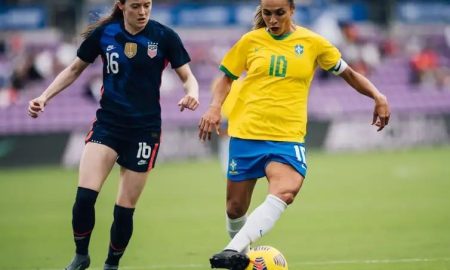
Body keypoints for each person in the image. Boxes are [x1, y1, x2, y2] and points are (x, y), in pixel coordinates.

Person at [198, 0, 390, 269]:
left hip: (287, 137)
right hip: (246, 134)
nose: (273, 20)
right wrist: (215, 107)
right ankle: (241, 253)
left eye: (279, 13)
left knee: (285, 191)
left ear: (292, 11)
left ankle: (231, 251)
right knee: (235, 209)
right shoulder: (250, 41)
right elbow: (226, 77)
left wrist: (377, 95)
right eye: (267, 14)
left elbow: (348, 74)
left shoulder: (313, 43)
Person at [27, 1, 199, 269]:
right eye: (135, 6)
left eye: (147, 5)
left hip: (145, 131)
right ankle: (81, 255)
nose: (142, 12)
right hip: (108, 125)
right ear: (121, 5)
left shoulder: (164, 36)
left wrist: (193, 93)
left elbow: (188, 76)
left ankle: (111, 264)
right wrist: (44, 96)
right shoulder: (105, 34)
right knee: (84, 198)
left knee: (124, 209)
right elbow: (74, 69)